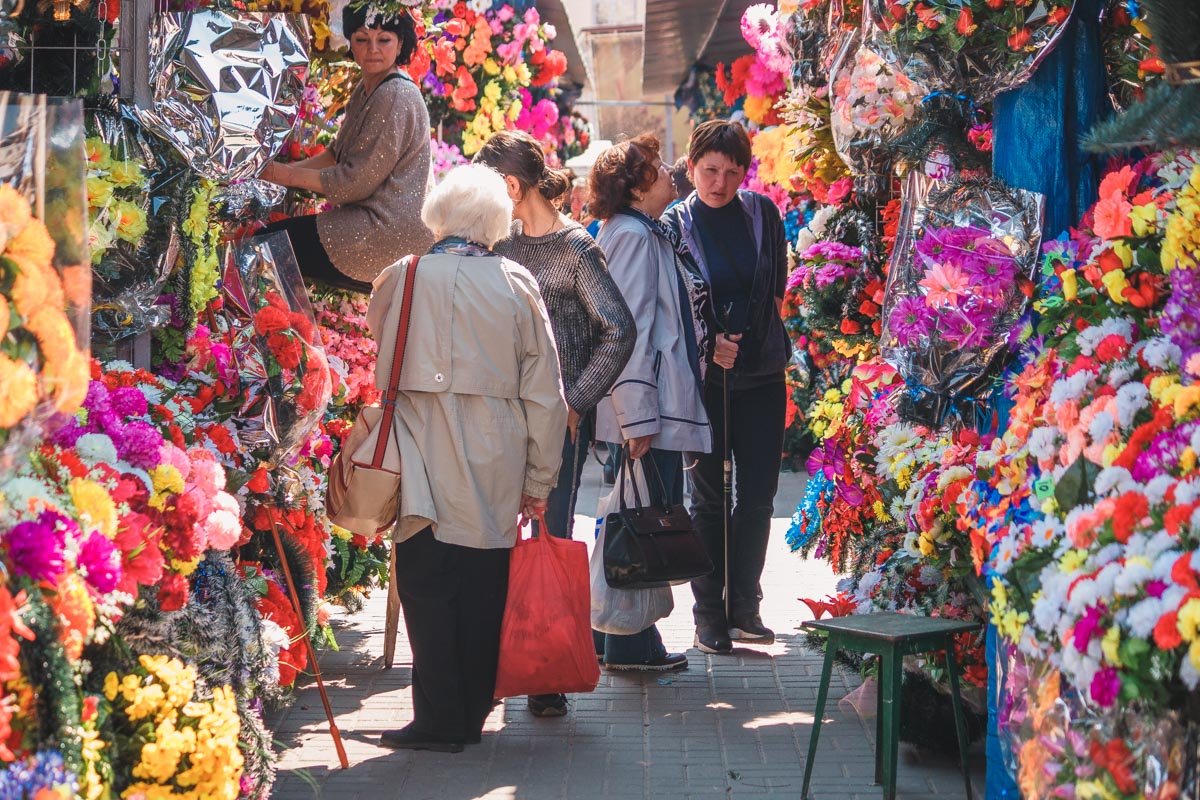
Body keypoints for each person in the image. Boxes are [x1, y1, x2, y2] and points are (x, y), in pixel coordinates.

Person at [369, 164, 567, 752]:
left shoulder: (402, 277)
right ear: (494, 222)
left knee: (426, 585)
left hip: (419, 450)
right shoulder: (514, 281)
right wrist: (541, 476)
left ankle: (437, 717)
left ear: (439, 215)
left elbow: (381, 353)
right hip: (494, 453)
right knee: (484, 585)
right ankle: (473, 710)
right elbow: (545, 391)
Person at [475, 129, 635, 717]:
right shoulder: (500, 245)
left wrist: (577, 401)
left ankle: (546, 673)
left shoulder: (576, 248)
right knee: (495, 537)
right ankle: (496, 662)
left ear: (511, 186)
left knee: (550, 537)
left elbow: (618, 328)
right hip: (500, 417)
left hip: (557, 429)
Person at [662, 120, 790, 655]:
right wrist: (709, 345)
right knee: (708, 498)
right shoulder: (675, 225)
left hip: (762, 373)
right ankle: (708, 614)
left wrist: (753, 340)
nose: (719, 183)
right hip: (705, 380)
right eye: (710, 171)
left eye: (732, 173)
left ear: (744, 174)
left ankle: (746, 607)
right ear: (691, 168)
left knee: (758, 494)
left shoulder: (763, 214)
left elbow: (777, 286)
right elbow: (669, 303)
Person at [591, 133, 715, 672]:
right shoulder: (635, 238)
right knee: (642, 520)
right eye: (659, 167)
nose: (672, 173)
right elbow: (631, 328)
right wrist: (636, 414)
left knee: (634, 513)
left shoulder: (644, 232)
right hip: (646, 409)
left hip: (650, 405)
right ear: (636, 185)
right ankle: (629, 643)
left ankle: (616, 635)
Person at [258, 5, 434, 293]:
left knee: (269, 243)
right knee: (277, 243)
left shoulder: (394, 93)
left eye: (384, 40)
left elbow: (354, 184)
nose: (372, 49)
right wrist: (274, 173)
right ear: (350, 42)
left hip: (385, 233)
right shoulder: (370, 87)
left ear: (400, 43)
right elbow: (333, 155)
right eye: (363, 39)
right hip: (377, 224)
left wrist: (278, 174)